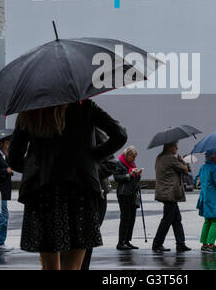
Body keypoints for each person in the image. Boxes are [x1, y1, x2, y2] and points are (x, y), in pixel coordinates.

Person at [8, 100, 127, 270]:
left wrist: (34, 168)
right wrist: (91, 158)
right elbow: (120, 135)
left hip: (43, 192)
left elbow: (13, 158)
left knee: (49, 266)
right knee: (73, 266)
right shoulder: (85, 106)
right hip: (79, 190)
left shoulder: (30, 112)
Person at [81, 128, 117, 271]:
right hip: (79, 190)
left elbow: (110, 163)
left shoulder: (91, 128)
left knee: (87, 236)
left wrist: (87, 175)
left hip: (94, 191)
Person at [152, 142, 191, 253]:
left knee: (176, 219)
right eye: (175, 146)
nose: (177, 148)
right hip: (170, 193)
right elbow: (186, 170)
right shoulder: (170, 158)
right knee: (167, 220)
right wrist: (182, 160)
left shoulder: (159, 157)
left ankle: (180, 243)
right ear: (170, 147)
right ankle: (157, 243)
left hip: (165, 192)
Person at [114, 146, 142, 250]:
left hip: (133, 194)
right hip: (124, 194)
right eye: (133, 157)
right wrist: (128, 175)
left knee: (132, 218)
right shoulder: (119, 163)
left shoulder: (132, 164)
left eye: (135, 157)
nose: (134, 159)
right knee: (125, 218)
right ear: (127, 155)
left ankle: (127, 240)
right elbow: (116, 177)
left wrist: (138, 175)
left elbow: (134, 179)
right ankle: (120, 242)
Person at [0, 130, 14, 253]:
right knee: (2, 216)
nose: (9, 146)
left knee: (0, 216)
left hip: (0, 192)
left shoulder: (2, 155)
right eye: (8, 143)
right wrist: (5, 171)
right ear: (1, 143)